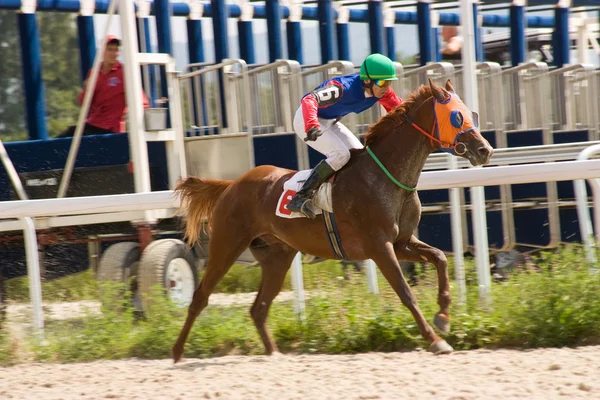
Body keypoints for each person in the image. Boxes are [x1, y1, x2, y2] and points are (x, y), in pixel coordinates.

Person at [287, 53, 403, 219]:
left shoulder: (381, 92)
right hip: (306, 119)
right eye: (383, 82)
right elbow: (309, 100)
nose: (386, 87)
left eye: (389, 82)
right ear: (367, 81)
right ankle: (300, 197)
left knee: (359, 155)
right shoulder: (342, 88)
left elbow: (401, 110)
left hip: (329, 120)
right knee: (341, 155)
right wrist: (311, 125)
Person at [56, 35, 148, 138]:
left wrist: (140, 121)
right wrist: (87, 89)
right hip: (93, 125)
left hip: (111, 129)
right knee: (62, 139)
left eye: (116, 50)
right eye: (110, 50)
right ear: (102, 51)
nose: (114, 54)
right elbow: (83, 103)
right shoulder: (94, 72)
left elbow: (142, 102)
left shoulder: (124, 72)